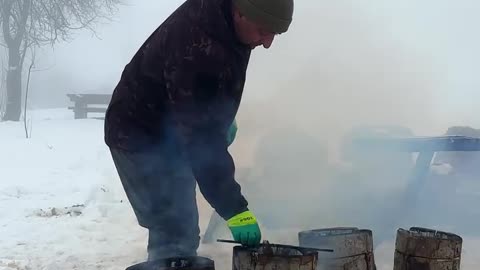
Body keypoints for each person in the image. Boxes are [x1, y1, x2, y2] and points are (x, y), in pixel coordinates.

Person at [104, 0, 294, 261]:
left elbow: (214, 85)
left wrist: (221, 117)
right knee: (173, 228)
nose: (268, 42)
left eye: (275, 34)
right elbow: (199, 138)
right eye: (264, 31)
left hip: (173, 130)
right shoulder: (196, 43)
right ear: (240, 14)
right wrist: (234, 209)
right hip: (138, 133)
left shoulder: (233, 24)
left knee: (181, 225)